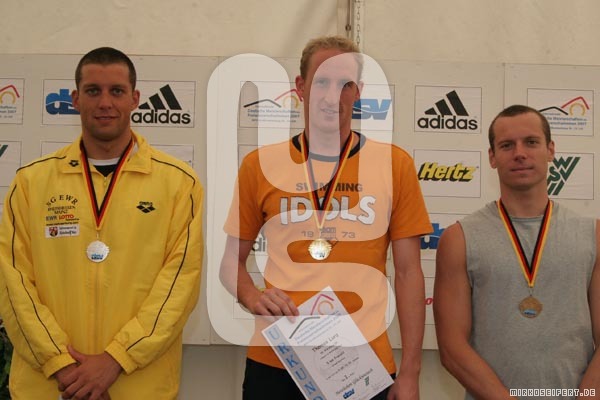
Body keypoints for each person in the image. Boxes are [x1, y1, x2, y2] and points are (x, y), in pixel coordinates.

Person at [220, 35, 432, 399]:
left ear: (358, 91)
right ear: (300, 87)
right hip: (276, 361)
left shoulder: (394, 164)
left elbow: (410, 273)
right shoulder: (260, 164)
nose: (333, 96)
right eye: (321, 81)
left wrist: (411, 371)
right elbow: (230, 263)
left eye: (344, 84)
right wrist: (252, 297)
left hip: (362, 366)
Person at [0, 47, 203, 399]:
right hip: (50, 386)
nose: (105, 102)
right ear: (76, 99)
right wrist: (62, 365)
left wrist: (116, 359)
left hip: (137, 386)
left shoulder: (179, 183)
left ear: (135, 99)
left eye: (117, 91)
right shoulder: (31, 182)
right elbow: (13, 283)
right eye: (93, 91)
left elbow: (178, 287)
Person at [434, 104, 600, 399]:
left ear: (550, 150)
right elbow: (452, 348)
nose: (520, 153)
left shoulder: (592, 235)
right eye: (507, 145)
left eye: (531, 142)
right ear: (492, 157)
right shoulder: (460, 239)